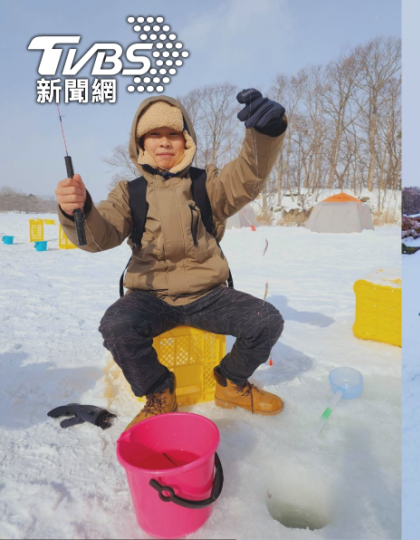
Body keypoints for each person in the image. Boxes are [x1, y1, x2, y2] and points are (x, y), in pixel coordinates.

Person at [56, 89, 288, 430]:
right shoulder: (128, 192)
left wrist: (265, 135)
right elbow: (98, 237)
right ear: (141, 143)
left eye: (173, 134)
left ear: (186, 140)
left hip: (208, 295)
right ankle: (160, 394)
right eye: (154, 135)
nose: (164, 142)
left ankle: (229, 383)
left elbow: (247, 177)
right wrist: (75, 210)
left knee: (266, 320)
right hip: (150, 298)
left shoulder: (207, 183)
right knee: (116, 326)